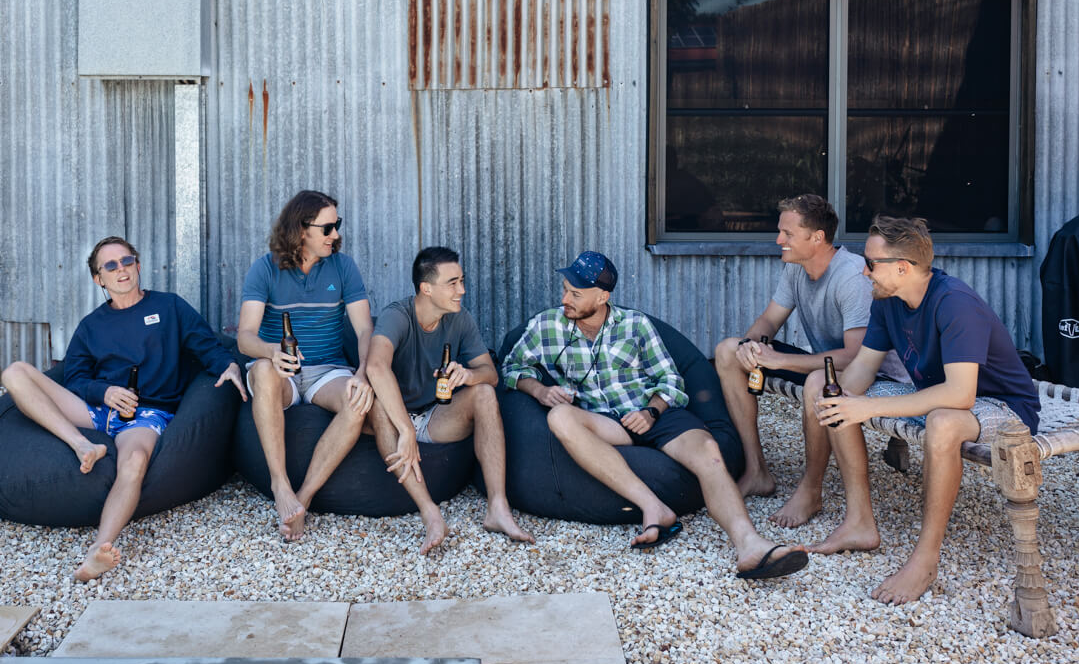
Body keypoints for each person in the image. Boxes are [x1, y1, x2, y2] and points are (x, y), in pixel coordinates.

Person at [501, 251, 808, 579]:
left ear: (602, 297)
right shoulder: (547, 325)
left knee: (709, 452)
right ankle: (654, 507)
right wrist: (540, 391)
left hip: (655, 414)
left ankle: (750, 544)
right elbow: (510, 366)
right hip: (605, 421)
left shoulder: (635, 325)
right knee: (560, 417)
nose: (565, 299)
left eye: (575, 294)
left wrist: (651, 411)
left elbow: (672, 380)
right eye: (565, 290)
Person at [808, 215, 1040, 604]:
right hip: (933, 396)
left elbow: (961, 394)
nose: (864, 272)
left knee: (943, 422)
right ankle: (859, 522)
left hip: (1002, 405)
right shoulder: (887, 300)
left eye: (870, 263)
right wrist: (843, 401)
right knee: (831, 391)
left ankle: (925, 559)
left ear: (902, 267)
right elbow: (863, 367)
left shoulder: (955, 303)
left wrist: (866, 406)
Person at [1, 236, 246, 581]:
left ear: (138, 265)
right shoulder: (91, 326)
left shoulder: (169, 307)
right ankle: (82, 444)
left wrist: (229, 366)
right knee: (15, 373)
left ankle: (98, 549)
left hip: (145, 416)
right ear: (98, 278)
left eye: (127, 261)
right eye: (111, 265)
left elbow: (207, 345)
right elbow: (74, 377)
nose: (122, 269)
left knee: (134, 462)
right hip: (97, 410)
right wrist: (104, 392)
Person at [713, 194, 907, 526]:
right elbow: (769, 320)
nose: (779, 240)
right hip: (826, 363)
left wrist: (779, 361)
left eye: (787, 233)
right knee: (728, 351)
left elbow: (855, 357)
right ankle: (756, 470)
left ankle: (811, 489)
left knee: (818, 383)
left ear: (817, 238)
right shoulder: (796, 269)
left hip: (873, 375)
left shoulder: (851, 277)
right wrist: (751, 345)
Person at [366, 246, 533, 554]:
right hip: (393, 417)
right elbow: (375, 367)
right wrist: (405, 429)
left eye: (462, 281)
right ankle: (430, 513)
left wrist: (469, 375)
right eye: (453, 283)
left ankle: (498, 508)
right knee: (376, 403)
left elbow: (491, 375)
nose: (462, 290)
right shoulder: (397, 315)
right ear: (426, 288)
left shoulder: (460, 319)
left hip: (434, 416)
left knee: (484, 393)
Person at [237, 190, 376, 541]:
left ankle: (304, 497)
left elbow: (364, 330)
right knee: (263, 371)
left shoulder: (343, 267)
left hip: (326, 371)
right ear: (301, 230)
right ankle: (280, 484)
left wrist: (363, 372)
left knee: (357, 400)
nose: (335, 235)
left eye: (337, 225)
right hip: (280, 371)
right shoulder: (264, 268)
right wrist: (271, 351)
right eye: (327, 228)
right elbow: (245, 337)